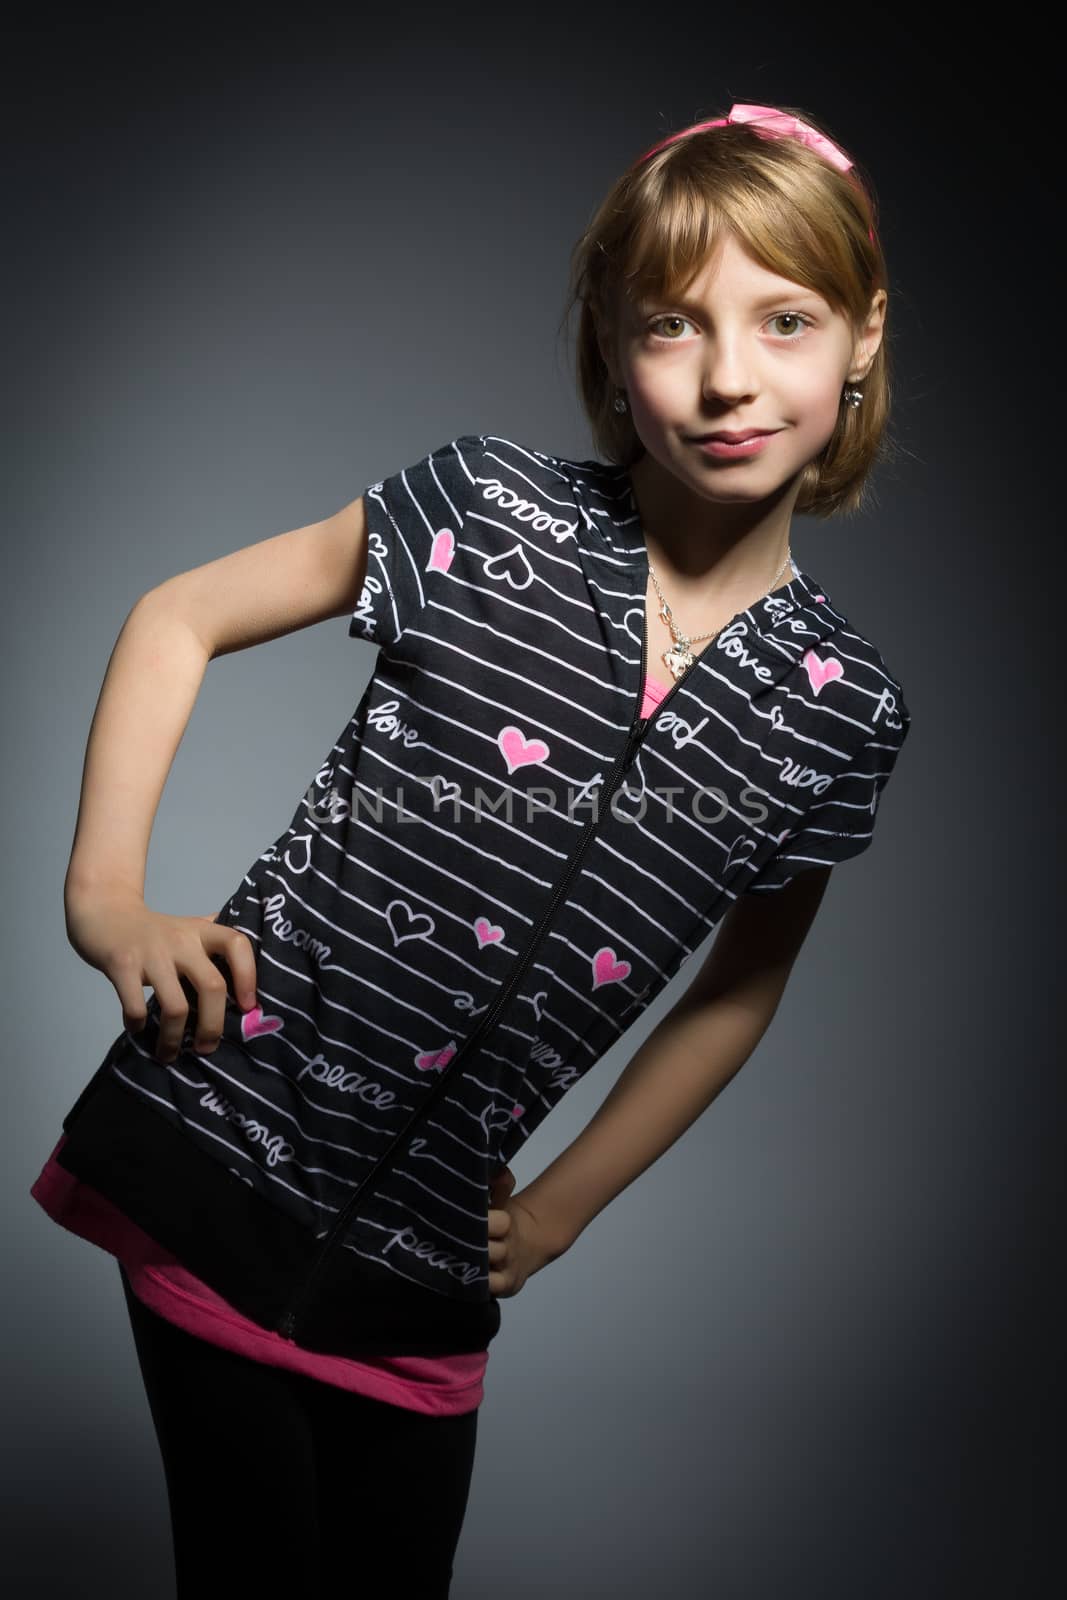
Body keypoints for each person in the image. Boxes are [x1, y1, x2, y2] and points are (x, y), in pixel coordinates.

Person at [30, 101, 912, 1596]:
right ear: (613, 356)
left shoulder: (845, 710)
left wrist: (562, 1209)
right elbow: (179, 615)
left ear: (861, 339)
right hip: (223, 1145)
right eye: (671, 327)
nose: (727, 378)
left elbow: (740, 988)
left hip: (425, 1261)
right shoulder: (478, 511)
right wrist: (107, 902)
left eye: (784, 320)